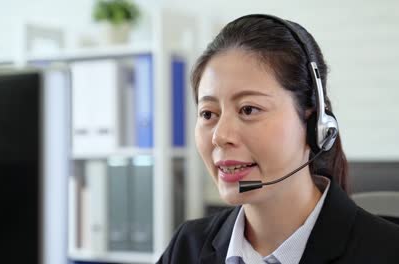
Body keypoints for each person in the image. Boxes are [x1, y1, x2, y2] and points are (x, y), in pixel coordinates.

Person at [157, 14, 399, 264]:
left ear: (314, 124)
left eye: (248, 109)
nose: (220, 136)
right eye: (208, 114)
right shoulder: (187, 247)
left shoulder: (388, 252)